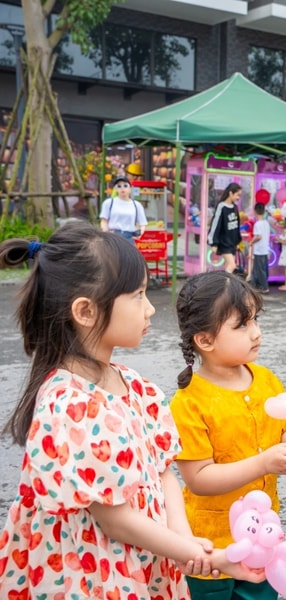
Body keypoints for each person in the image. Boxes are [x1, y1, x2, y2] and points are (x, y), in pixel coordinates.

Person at [0, 222, 264, 598]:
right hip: (93, 573)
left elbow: (164, 471)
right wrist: (193, 551)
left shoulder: (134, 385)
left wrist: (186, 542)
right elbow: (115, 520)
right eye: (138, 295)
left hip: (147, 556)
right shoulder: (68, 405)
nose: (151, 307)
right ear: (86, 311)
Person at [171, 271, 286, 599]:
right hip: (211, 549)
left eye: (256, 320)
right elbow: (199, 478)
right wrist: (264, 463)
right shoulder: (189, 402)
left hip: (262, 538)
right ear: (204, 340)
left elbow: (282, 432)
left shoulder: (264, 380)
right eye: (242, 325)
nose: (256, 333)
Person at [100, 176, 148, 243]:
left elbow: (143, 223)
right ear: (116, 189)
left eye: (125, 186)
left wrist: (140, 233)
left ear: (130, 188)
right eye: (119, 186)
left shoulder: (137, 205)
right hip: (113, 236)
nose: (122, 188)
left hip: (129, 237)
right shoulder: (108, 203)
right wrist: (106, 232)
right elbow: (104, 221)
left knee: (130, 253)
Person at [208, 182, 244, 274]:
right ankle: (223, 284)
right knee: (232, 266)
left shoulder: (235, 207)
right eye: (237, 195)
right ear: (231, 193)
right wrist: (213, 243)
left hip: (232, 243)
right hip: (224, 243)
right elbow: (215, 224)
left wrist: (238, 241)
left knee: (228, 266)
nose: (238, 198)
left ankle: (226, 286)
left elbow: (236, 226)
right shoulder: (221, 207)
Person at [250, 202, 271, 294]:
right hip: (264, 249)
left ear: (255, 211)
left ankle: (265, 287)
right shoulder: (266, 223)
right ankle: (254, 285)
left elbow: (259, 237)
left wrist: (251, 242)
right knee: (258, 268)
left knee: (259, 270)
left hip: (259, 250)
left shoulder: (257, 224)